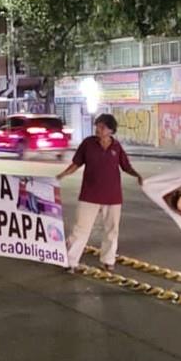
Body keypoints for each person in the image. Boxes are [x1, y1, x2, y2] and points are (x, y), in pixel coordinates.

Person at [56, 113, 143, 272]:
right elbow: (76, 164)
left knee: (112, 229)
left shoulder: (116, 147)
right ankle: (70, 261)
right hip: (89, 195)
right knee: (80, 229)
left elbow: (126, 166)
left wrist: (138, 175)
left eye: (102, 127)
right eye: (97, 126)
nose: (98, 129)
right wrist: (61, 175)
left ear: (111, 130)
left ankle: (108, 260)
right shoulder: (88, 144)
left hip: (113, 196)